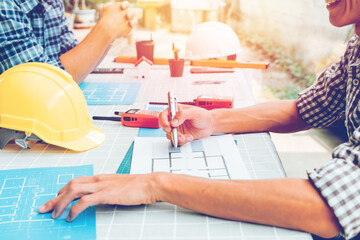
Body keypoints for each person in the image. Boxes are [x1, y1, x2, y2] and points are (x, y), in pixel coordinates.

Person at [38, 0, 360, 239]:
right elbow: (304, 109)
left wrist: (156, 183)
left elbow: (328, 207)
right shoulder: (355, 46)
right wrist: (214, 121)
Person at [0, 0, 136, 84]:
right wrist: (105, 30)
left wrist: (111, 34)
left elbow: (79, 65)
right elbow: (41, 84)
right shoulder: (4, 5)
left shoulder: (52, 2)